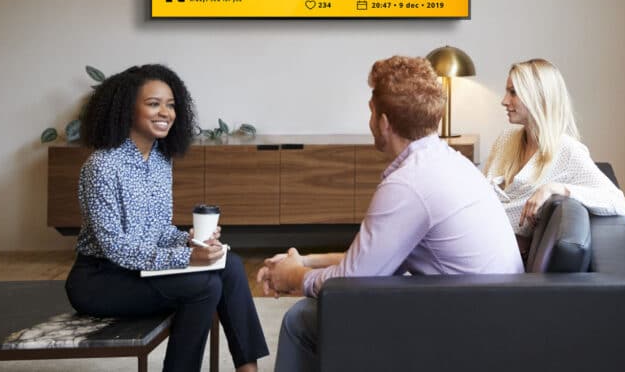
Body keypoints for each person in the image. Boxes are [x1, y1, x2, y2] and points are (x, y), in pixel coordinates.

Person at [258, 56, 522, 371]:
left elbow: (351, 283)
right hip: (492, 312)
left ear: (384, 122)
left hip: (468, 327)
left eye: (371, 113)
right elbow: (372, 258)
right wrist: (306, 261)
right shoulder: (445, 161)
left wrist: (294, 277)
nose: (369, 122)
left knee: (301, 319)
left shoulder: (409, 184)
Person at [64, 64, 268, 372]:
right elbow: (116, 248)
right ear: (127, 109)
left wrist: (191, 241)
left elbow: (158, 229)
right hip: (101, 279)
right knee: (204, 286)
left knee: (231, 264)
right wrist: (187, 257)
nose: (166, 112)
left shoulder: (159, 159)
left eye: (171, 105)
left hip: (142, 270)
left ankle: (248, 369)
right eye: (153, 104)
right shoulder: (102, 166)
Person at [483, 58, 625, 256]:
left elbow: (617, 202)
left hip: (499, 256)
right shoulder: (506, 139)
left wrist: (555, 188)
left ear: (539, 97)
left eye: (513, 93)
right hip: (476, 235)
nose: (504, 101)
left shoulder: (567, 151)